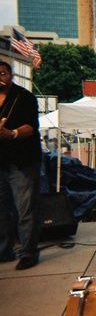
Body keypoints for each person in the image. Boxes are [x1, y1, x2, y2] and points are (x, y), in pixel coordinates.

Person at [0, 61, 42, 270]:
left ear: (11, 75)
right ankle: (4, 250)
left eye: (3, 73)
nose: (0, 78)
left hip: (22, 162)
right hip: (1, 163)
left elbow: (31, 127)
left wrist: (11, 133)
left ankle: (28, 253)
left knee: (26, 210)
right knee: (1, 210)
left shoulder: (24, 97)